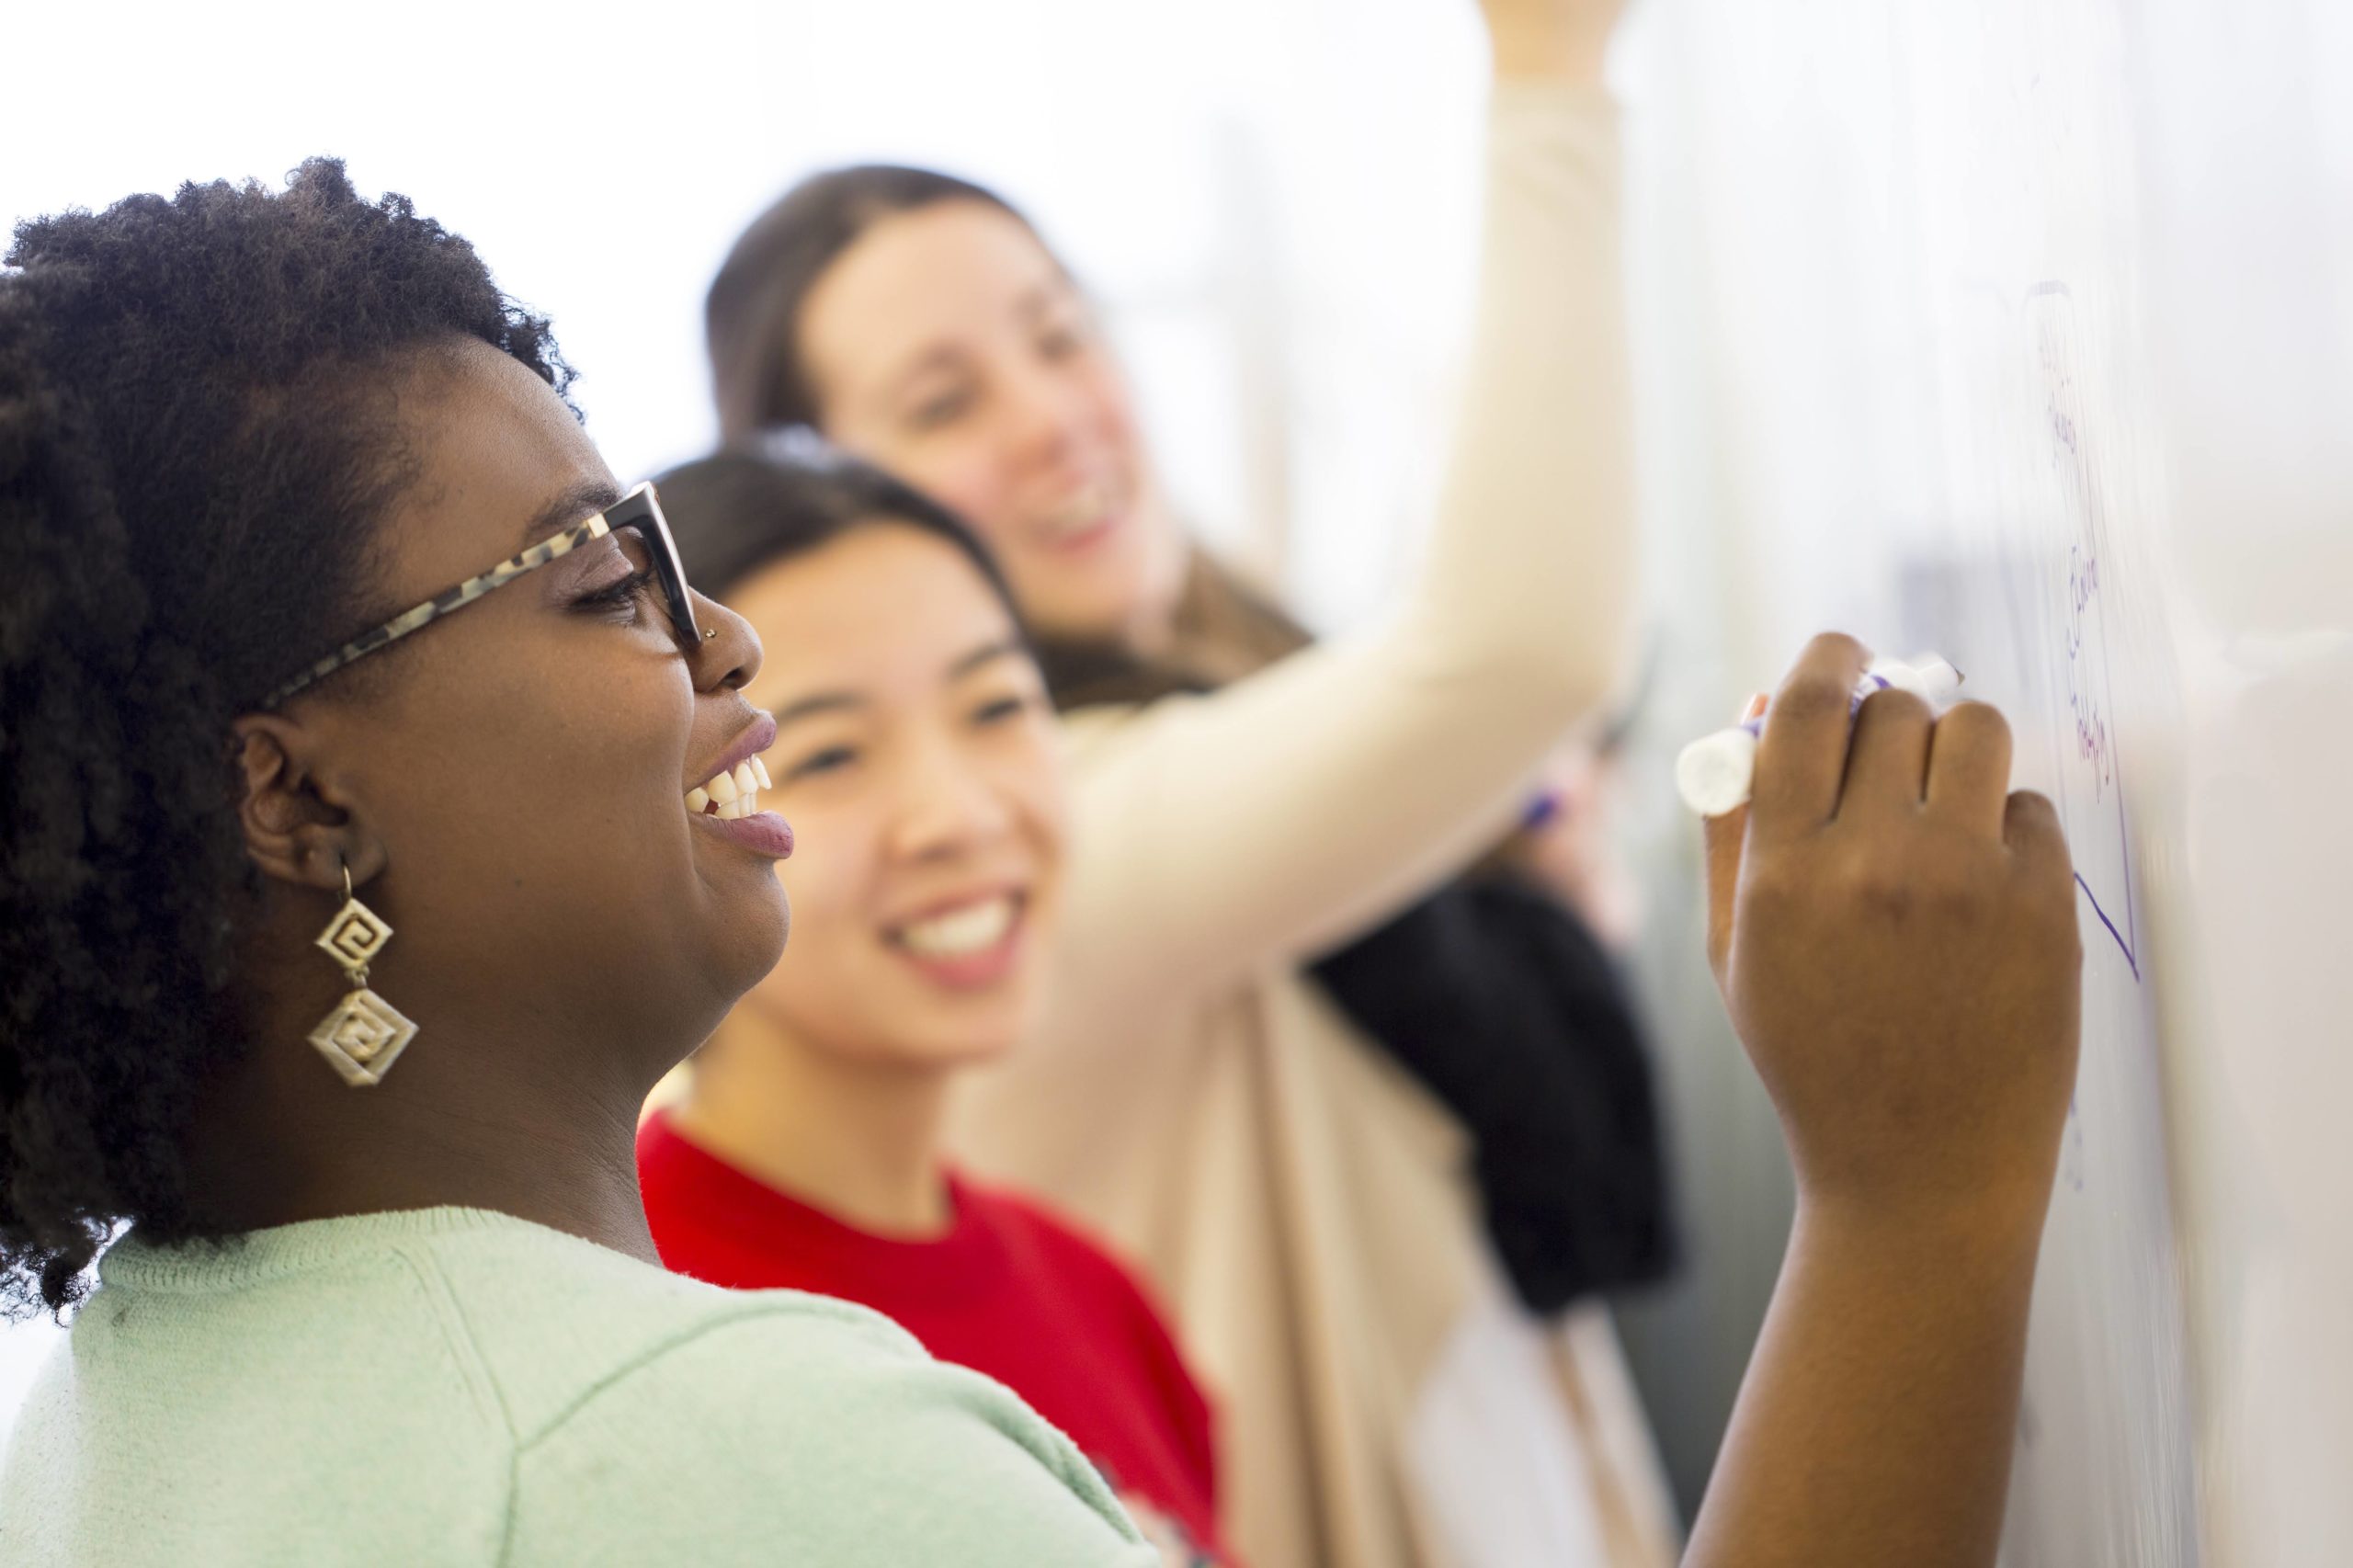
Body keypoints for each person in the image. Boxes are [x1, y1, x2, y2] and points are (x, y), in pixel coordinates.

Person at [0, 157, 2084, 1568]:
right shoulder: (719, 1457)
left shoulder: (113, 1416)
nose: (723, 642)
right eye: (596, 586)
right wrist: (1917, 1193)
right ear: (293, 800)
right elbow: (1508, 641)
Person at [700, 3, 1676, 1562]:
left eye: (1060, 331)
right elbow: (1520, 648)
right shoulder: (1049, 823)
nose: (1050, 414)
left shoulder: (1224, 692)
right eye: (944, 402)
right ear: (832, 503)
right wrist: (1548, 78)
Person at [636, 449, 1238, 1565]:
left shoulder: (1097, 1294)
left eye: (996, 703)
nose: (958, 814)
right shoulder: (641, 1322)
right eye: (827, 751)